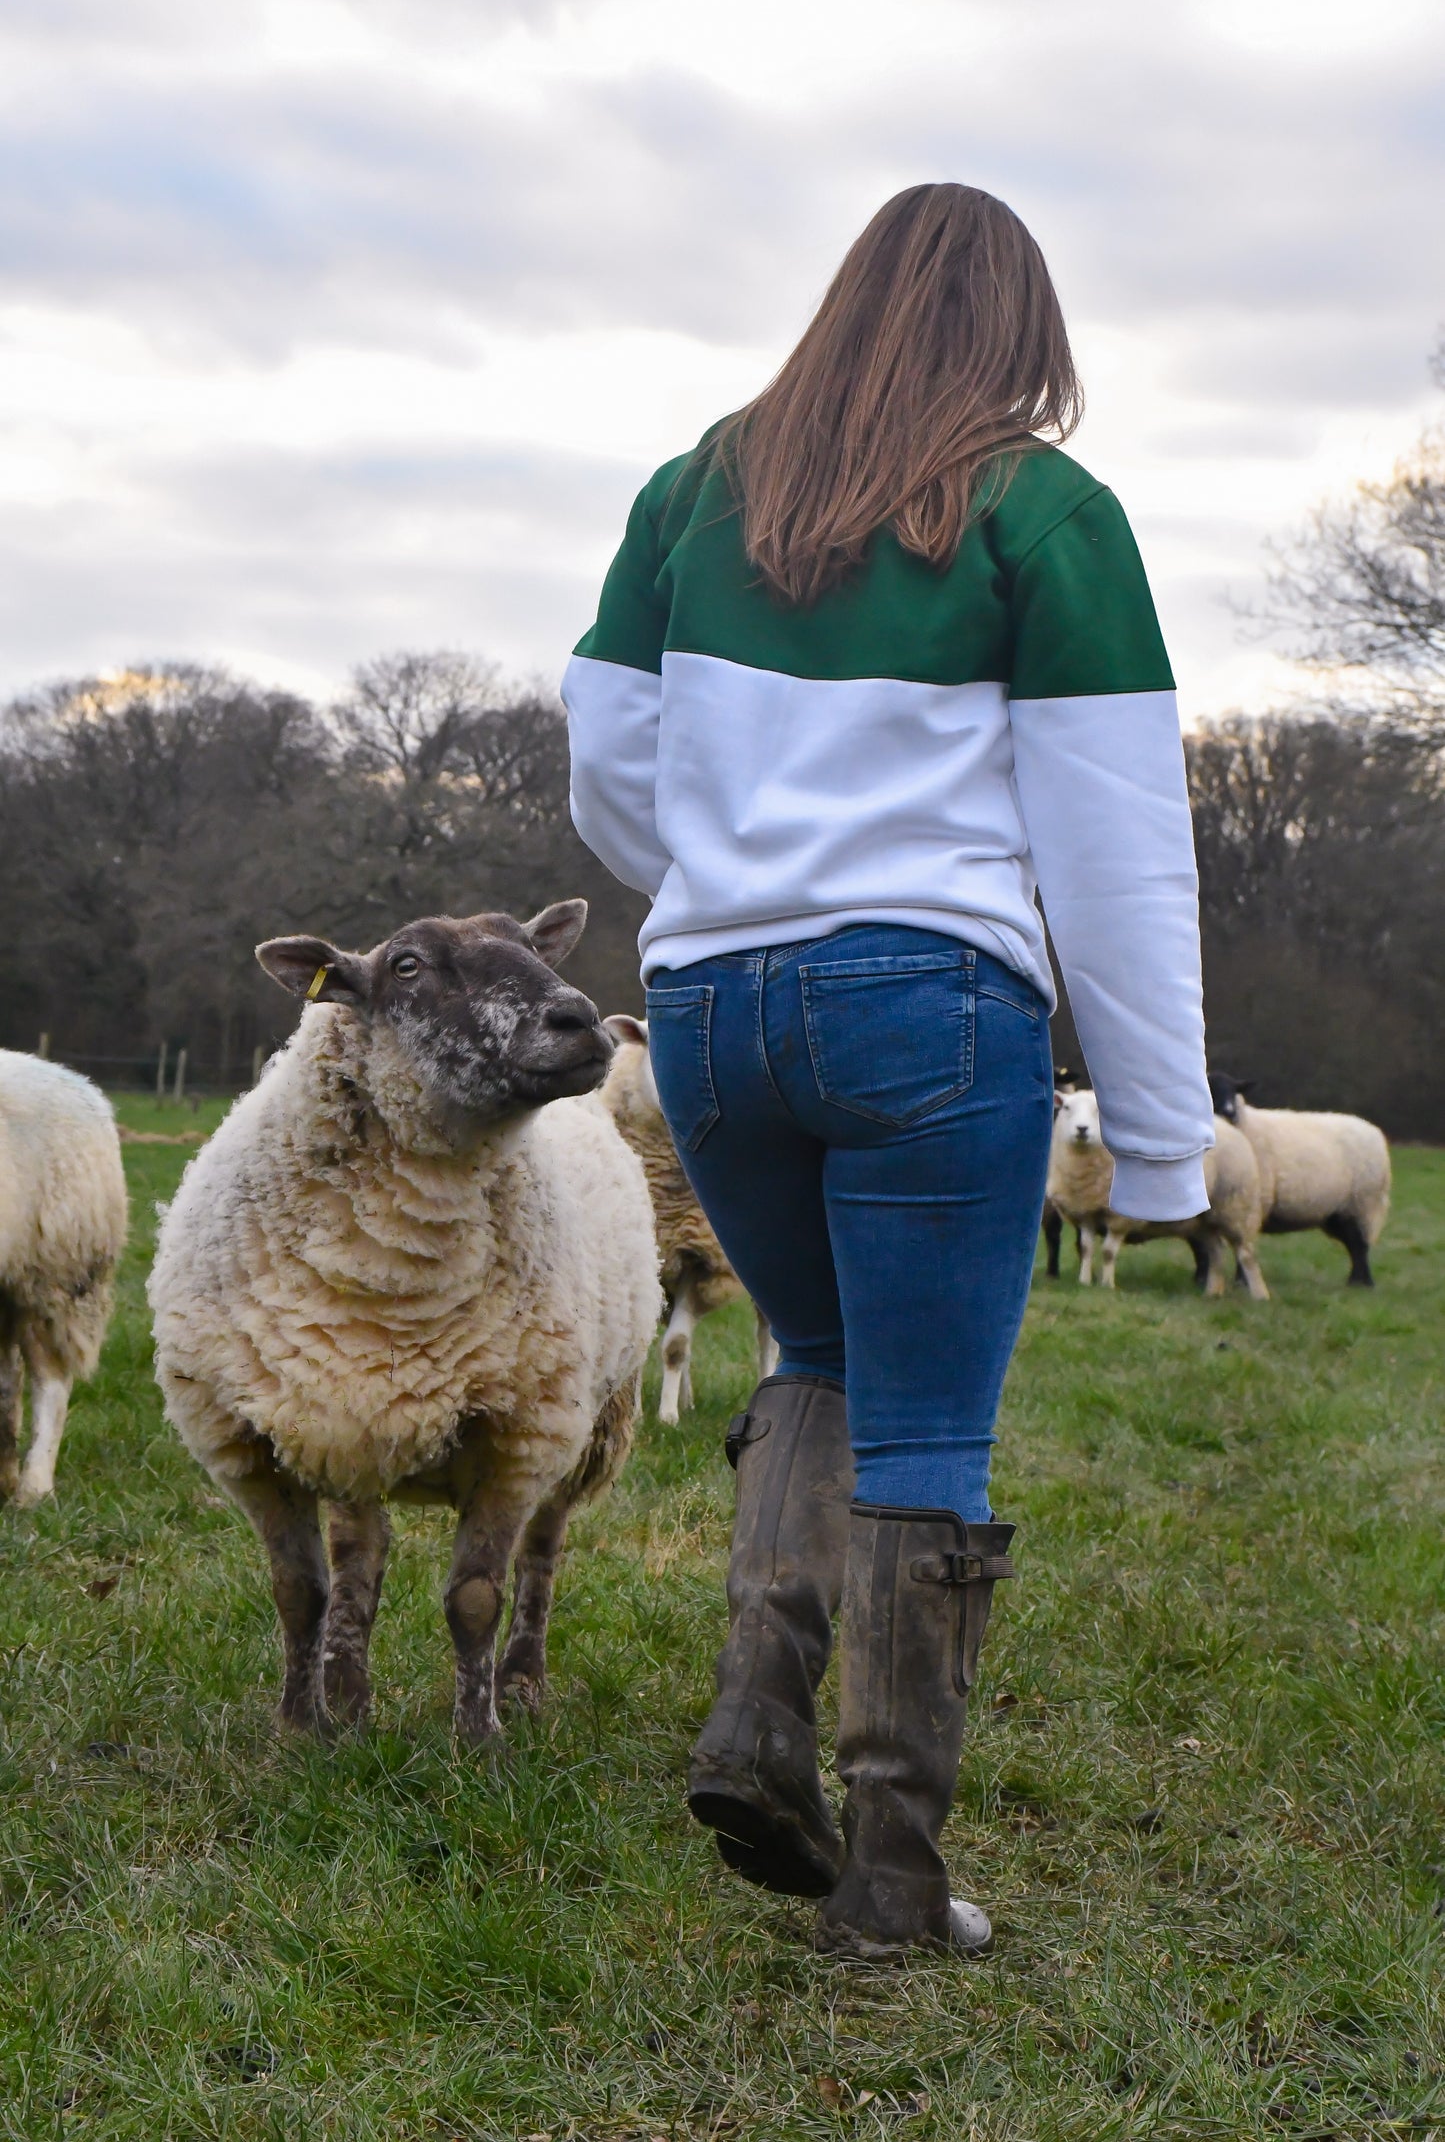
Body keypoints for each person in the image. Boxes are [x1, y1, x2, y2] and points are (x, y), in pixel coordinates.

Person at [561, 182, 1213, 1959]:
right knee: (923, 1421)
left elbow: (607, 760)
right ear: (1022, 334)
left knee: (816, 1357)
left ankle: (758, 1714)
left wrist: (721, 880)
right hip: (926, 1005)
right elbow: (1118, 855)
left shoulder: (701, 481)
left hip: (707, 1006)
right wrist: (1162, 1149)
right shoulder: (1046, 510)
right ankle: (891, 1882)